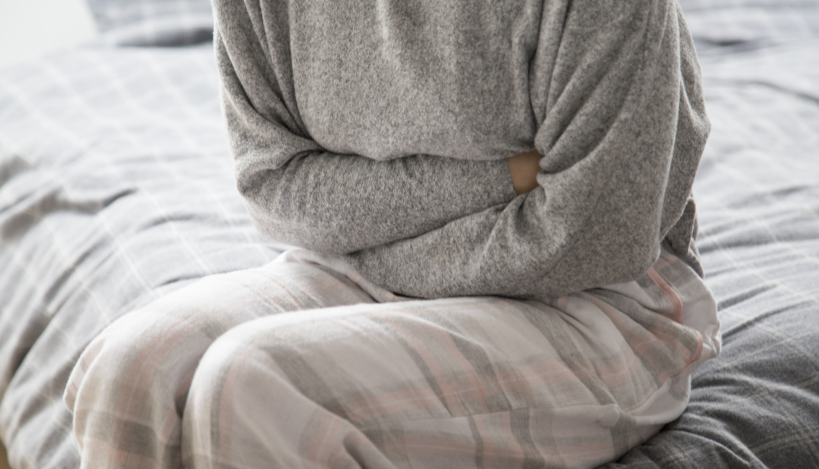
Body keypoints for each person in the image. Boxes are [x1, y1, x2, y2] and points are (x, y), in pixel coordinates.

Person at [64, 0, 721, 467]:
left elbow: (591, 233)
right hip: (358, 267)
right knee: (134, 369)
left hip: (599, 303)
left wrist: (375, 237)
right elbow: (273, 187)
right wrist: (509, 177)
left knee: (252, 386)